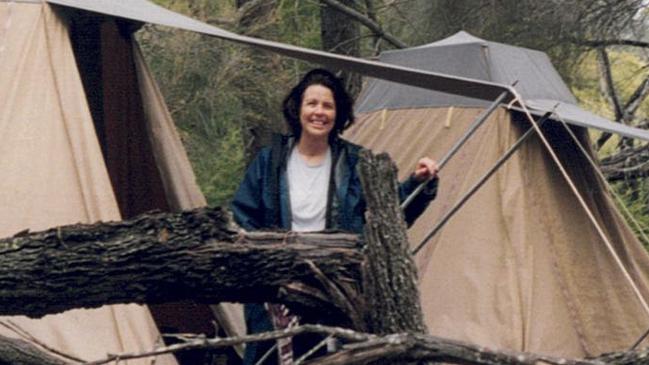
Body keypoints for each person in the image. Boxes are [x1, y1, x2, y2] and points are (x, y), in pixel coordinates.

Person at [230, 68, 439, 365]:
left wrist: (419, 183)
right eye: (312, 103)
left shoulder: (355, 162)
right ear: (297, 108)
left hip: (336, 287)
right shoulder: (270, 161)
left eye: (328, 106)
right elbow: (242, 218)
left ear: (338, 113)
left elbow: (389, 217)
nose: (319, 112)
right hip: (278, 290)